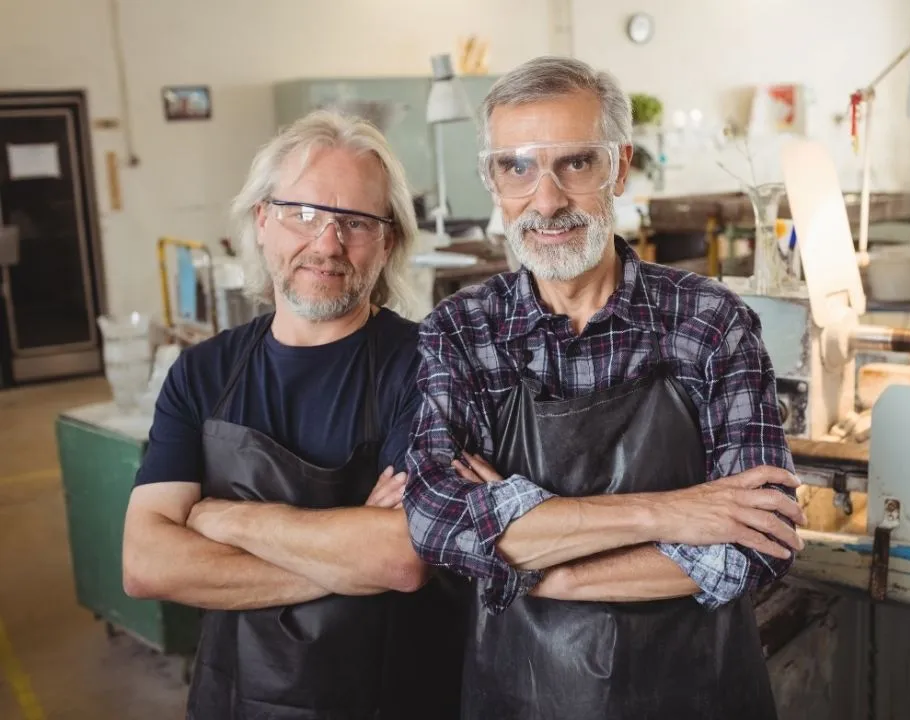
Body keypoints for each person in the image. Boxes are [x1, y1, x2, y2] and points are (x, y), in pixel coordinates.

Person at [402, 56, 805, 720]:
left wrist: (534, 565)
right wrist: (672, 513)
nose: (548, 198)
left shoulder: (709, 322)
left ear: (618, 167)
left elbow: (755, 543)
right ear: (492, 181)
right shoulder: (463, 333)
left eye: (577, 163)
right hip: (521, 696)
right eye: (518, 167)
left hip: (697, 695)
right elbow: (437, 520)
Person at [122, 109, 464, 720]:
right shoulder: (202, 373)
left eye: (355, 222)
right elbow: (146, 564)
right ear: (262, 222)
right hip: (236, 697)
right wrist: (347, 548)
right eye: (302, 214)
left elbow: (399, 559)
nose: (326, 243)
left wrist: (224, 521)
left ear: (386, 242)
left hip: (392, 695)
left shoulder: (428, 364)